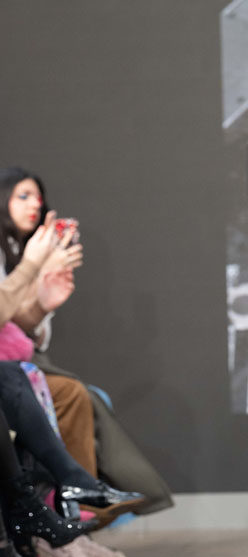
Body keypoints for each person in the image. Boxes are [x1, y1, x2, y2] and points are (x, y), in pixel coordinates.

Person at [0, 167, 173, 517]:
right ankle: (78, 507)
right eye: (23, 196)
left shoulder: (22, 251)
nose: (34, 205)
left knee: (83, 395)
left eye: (38, 198)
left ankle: (80, 509)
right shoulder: (21, 256)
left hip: (18, 364)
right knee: (72, 394)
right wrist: (32, 269)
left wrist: (43, 302)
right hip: (13, 368)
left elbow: (24, 332)